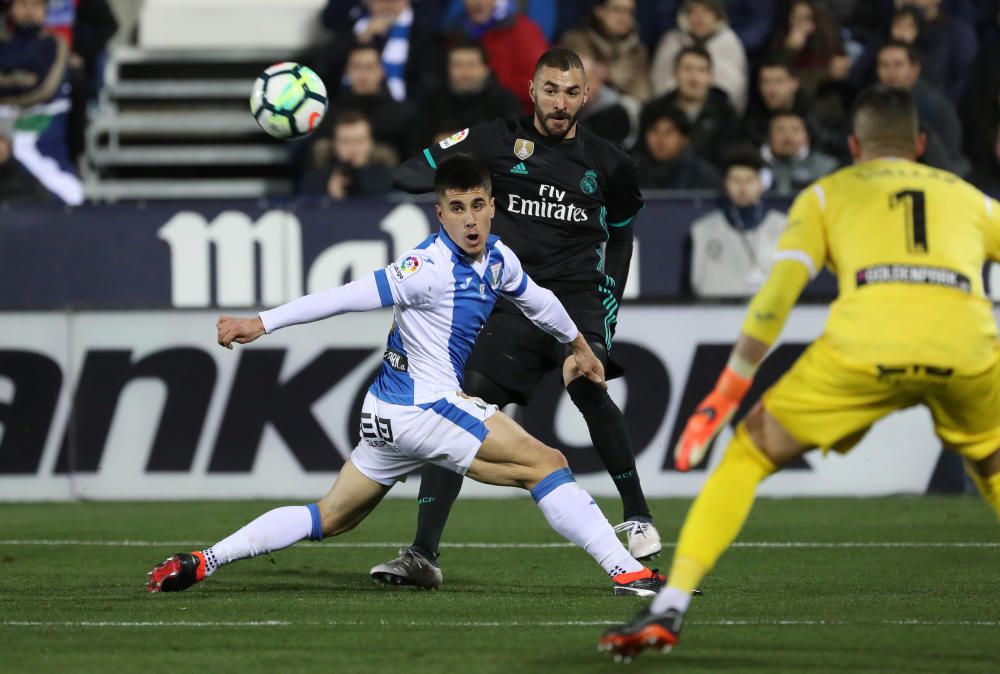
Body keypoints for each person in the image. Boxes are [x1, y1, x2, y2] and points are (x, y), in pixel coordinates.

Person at [146, 155, 665, 599]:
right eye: (457, 209)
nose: (469, 220)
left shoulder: (499, 259)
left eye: (477, 206)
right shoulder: (427, 267)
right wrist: (263, 322)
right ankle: (629, 572)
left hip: (387, 415)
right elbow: (342, 297)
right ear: (440, 214)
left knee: (330, 517)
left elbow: (539, 301)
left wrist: (578, 344)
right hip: (423, 407)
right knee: (546, 462)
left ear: (491, 207)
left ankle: (203, 560)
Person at [599, 85, 1000, 659]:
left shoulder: (826, 195)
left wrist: (727, 389)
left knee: (750, 452)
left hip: (867, 348)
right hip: (968, 349)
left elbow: (776, 300)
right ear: (919, 144)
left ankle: (670, 604)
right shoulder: (973, 200)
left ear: (855, 145)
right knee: (991, 464)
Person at [372, 48, 661, 589]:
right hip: (512, 303)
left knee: (586, 378)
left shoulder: (610, 163)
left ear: (585, 97)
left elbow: (621, 234)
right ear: (531, 89)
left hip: (575, 299)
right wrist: (440, 167)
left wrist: (608, 306)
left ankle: (638, 515)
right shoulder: (493, 139)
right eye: (550, 89)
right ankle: (422, 554)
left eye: (571, 92)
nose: (559, 102)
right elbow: (409, 174)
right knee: (459, 410)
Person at [0, 0, 83, 205]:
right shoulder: (2, 44)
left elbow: (46, 89)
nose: (29, 11)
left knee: (66, 191)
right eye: (23, 4)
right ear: (11, 8)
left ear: (45, 10)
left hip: (40, 119)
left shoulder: (55, 44)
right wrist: (25, 80)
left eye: (36, 5)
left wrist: (10, 84)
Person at [688, 149, 788, 296]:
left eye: (749, 180)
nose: (742, 188)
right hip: (716, 314)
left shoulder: (784, 226)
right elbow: (697, 282)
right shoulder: (703, 229)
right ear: (726, 184)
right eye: (735, 180)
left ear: (761, 184)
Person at [645, 45, 737, 167]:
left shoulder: (726, 114)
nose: (694, 77)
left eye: (701, 70)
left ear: (710, 77)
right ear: (675, 74)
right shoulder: (654, 111)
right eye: (687, 69)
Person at [650, 0, 748, 114]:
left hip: (716, 113)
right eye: (694, 12)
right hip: (672, 112)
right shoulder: (672, 41)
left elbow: (734, 88)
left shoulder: (730, 43)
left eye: (706, 12)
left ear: (717, 16)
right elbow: (659, 83)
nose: (699, 18)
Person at [559, 0, 652, 103]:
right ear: (599, 11)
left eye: (629, 12)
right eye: (617, 10)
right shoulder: (577, 40)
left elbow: (644, 94)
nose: (624, 18)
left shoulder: (637, 50)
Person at [298, 110, 395, 199]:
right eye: (346, 141)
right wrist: (329, 196)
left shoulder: (387, 177)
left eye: (359, 141)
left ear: (371, 142)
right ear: (334, 144)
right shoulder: (317, 178)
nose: (353, 148)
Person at [634, 104, 720, 190]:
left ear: (684, 139)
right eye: (654, 130)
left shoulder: (704, 176)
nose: (660, 139)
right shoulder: (632, 172)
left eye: (669, 132)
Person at [762, 110, 839, 196]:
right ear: (769, 136)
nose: (788, 136)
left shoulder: (827, 168)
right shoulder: (755, 166)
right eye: (780, 130)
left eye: (795, 130)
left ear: (807, 137)